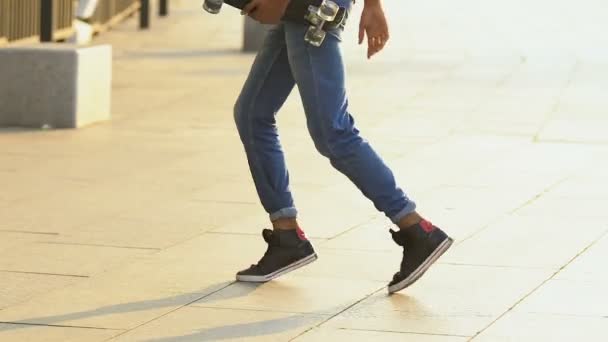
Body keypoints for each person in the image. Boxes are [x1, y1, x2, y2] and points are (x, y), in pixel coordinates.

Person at [232, 0, 452, 294]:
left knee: (333, 132)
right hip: (296, 13)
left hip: (312, 9)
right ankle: (287, 237)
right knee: (252, 113)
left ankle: (415, 228)